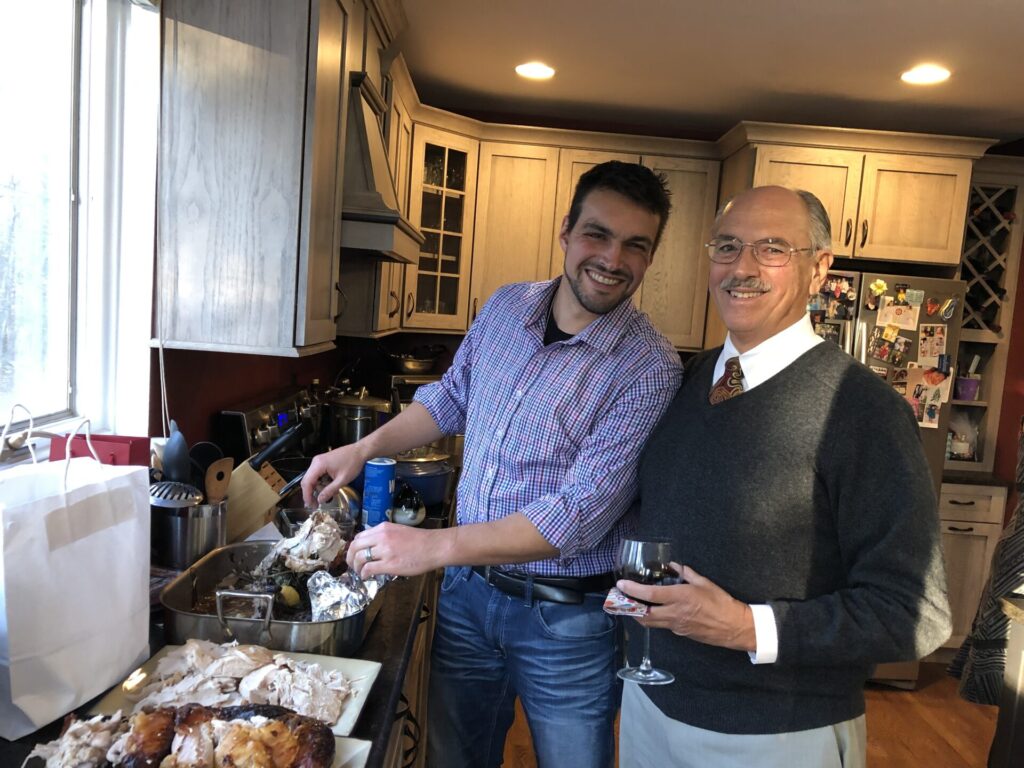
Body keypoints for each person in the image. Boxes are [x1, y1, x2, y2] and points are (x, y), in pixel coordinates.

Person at [301, 161, 683, 768]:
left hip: (568, 623)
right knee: (454, 759)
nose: (613, 258)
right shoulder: (507, 307)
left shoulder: (650, 367)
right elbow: (450, 399)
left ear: (651, 256)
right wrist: (361, 448)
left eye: (636, 245)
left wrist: (432, 548)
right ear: (565, 231)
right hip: (467, 600)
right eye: (597, 234)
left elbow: (575, 517)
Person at [616, 186, 951, 768]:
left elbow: (916, 614)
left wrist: (747, 627)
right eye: (727, 246)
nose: (742, 268)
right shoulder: (689, 382)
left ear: (820, 269)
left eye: (772, 248)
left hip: (774, 734)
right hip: (650, 704)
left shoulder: (862, 411)